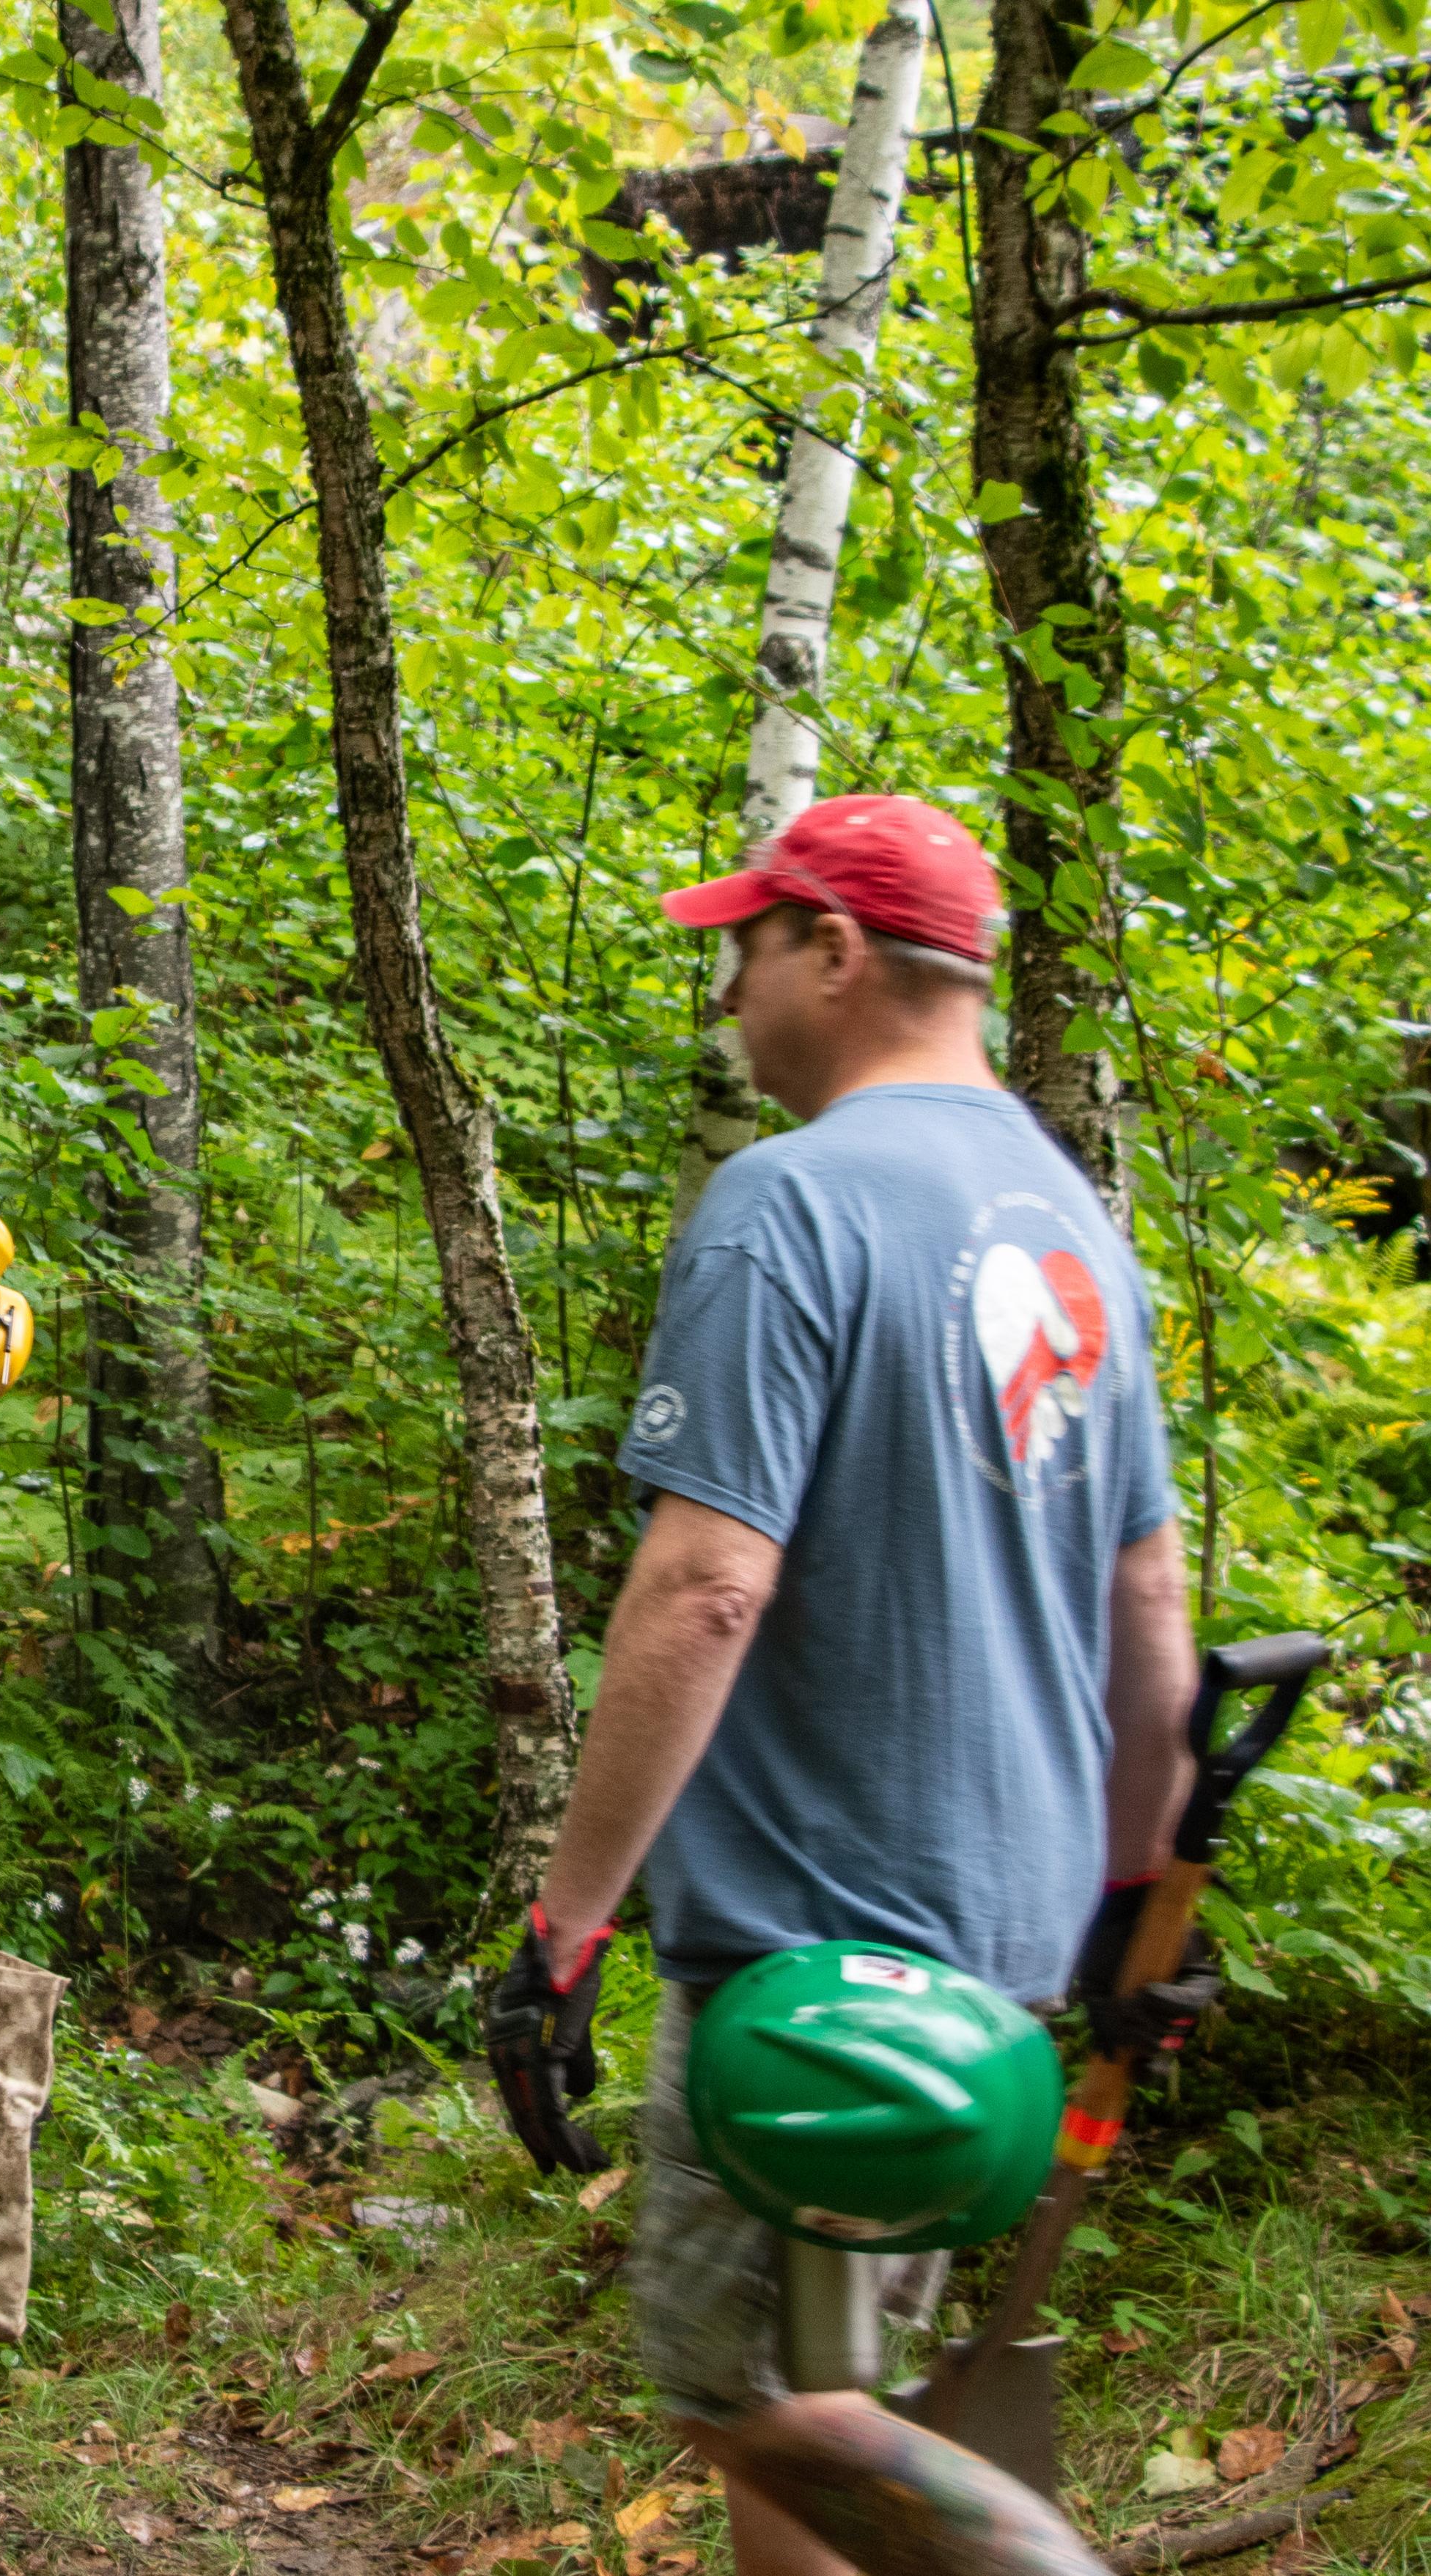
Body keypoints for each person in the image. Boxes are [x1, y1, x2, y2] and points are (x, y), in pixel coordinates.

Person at [488, 796, 1203, 2576]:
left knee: (752, 2394)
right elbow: (1146, 1590)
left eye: (745, 943)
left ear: (835, 947)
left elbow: (705, 1583)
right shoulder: (1067, 1224)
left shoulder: (786, 1201)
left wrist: (564, 1928)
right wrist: (1130, 1903)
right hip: (999, 1940)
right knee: (825, 2392)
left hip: (812, 1948)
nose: (727, 986)